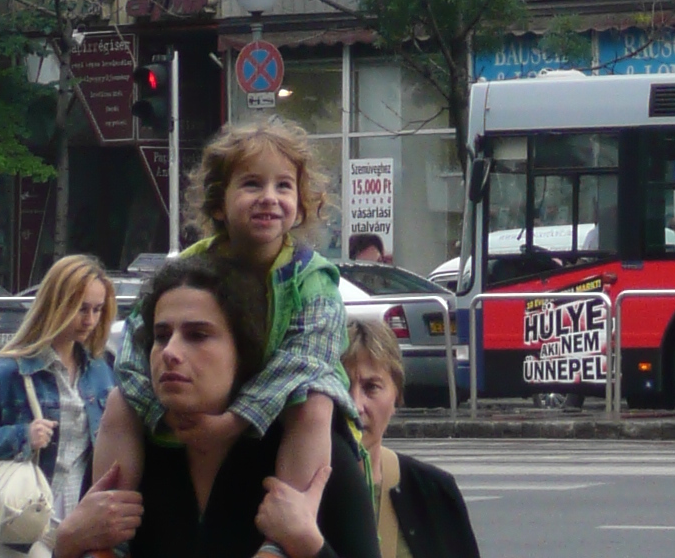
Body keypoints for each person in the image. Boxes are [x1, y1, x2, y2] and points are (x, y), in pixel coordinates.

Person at [92, 117, 376, 558]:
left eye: (284, 186)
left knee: (315, 399)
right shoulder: (186, 269)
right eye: (250, 184)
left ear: (301, 205)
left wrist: (231, 423)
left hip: (286, 408)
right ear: (219, 204)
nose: (269, 198)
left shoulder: (313, 277)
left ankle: (284, 531)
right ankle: (111, 529)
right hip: (195, 420)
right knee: (117, 402)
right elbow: (132, 355)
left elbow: (303, 362)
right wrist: (168, 418)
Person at [52, 259, 321, 558]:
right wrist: (66, 544)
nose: (170, 352)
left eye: (198, 335)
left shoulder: (299, 445)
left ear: (243, 351)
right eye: (161, 336)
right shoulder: (127, 442)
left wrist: (311, 546)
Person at [0, 253, 116, 535]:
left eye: (98, 310)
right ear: (55, 305)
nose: (90, 320)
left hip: (81, 523)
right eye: (81, 309)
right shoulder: (8, 370)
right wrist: (22, 436)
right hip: (25, 520)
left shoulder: (100, 369)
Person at [344, 319, 480, 558]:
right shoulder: (291, 496)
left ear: (397, 395)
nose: (355, 405)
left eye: (371, 387)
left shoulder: (433, 492)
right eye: (342, 386)